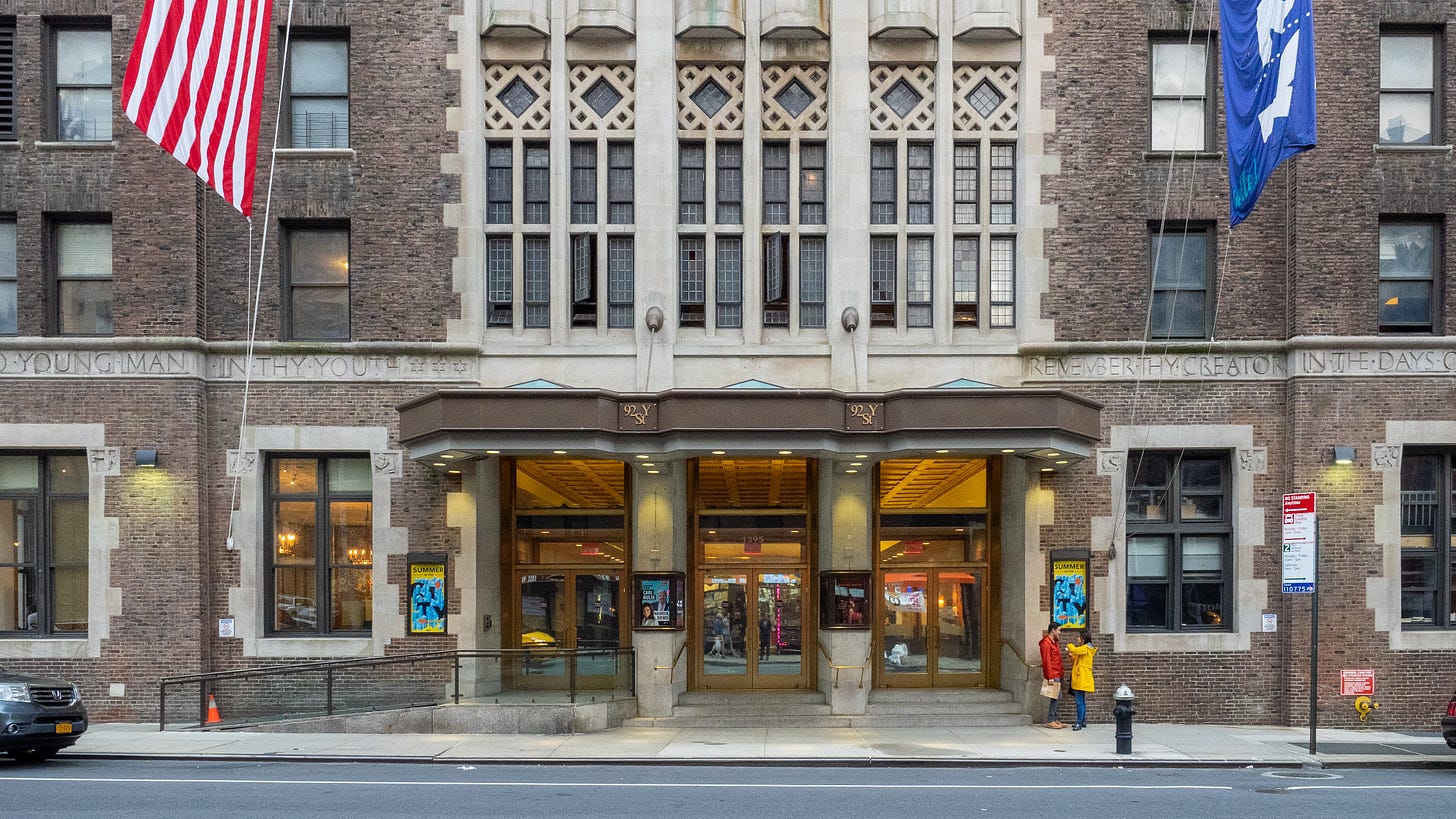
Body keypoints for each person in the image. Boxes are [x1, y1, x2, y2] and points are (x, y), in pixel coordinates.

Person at [1066, 629, 1098, 731]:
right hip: (1082, 678)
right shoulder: (1086, 649)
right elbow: (1075, 658)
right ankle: (1083, 720)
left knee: (1079, 701)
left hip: (1081, 678)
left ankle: (1079, 722)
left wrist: (1070, 646)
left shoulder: (1085, 648)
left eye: (1079, 637)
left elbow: (1074, 650)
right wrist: (1072, 656)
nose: (1077, 639)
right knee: (1082, 701)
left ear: (1083, 639)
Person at [1039, 622, 1066, 729]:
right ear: (1053, 630)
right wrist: (1049, 676)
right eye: (1059, 630)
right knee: (1056, 697)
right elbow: (1047, 661)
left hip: (1057, 672)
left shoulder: (1054, 642)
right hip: (1053, 673)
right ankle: (1050, 720)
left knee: (1058, 696)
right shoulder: (1046, 643)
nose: (1060, 632)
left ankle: (1054, 718)